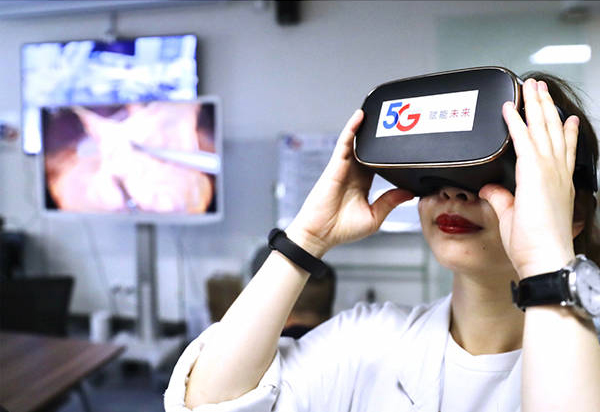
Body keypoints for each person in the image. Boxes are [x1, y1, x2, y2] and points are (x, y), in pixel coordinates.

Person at [164, 73, 600, 412]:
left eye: (493, 176)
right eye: (435, 178)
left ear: (574, 213)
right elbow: (209, 402)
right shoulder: (369, 340)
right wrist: (306, 239)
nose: (454, 193)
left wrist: (546, 259)